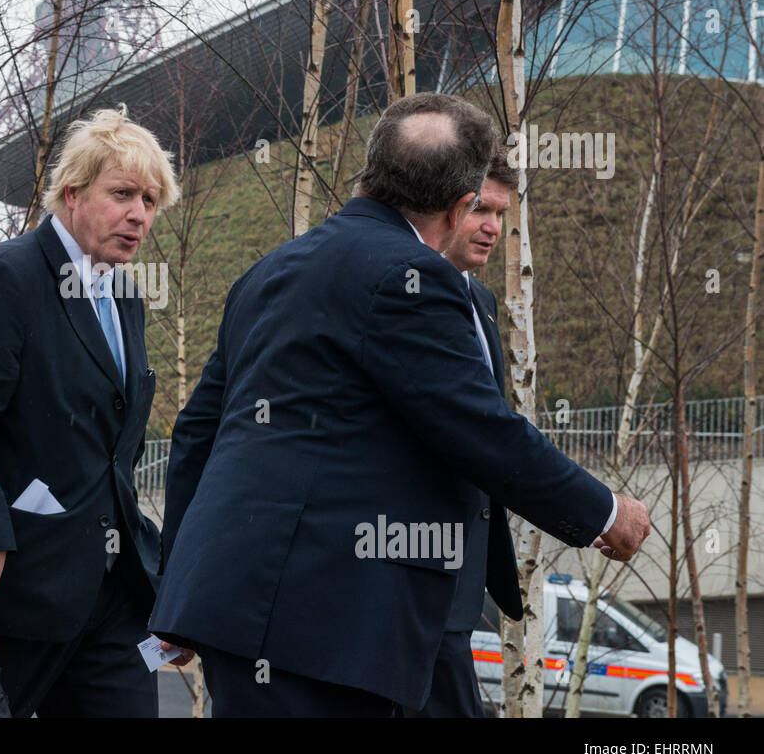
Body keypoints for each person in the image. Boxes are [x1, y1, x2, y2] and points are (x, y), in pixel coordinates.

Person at [149, 92, 649, 717]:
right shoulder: (411, 278)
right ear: (461, 202)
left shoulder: (269, 271)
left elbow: (198, 433)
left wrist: (175, 591)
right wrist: (604, 512)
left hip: (247, 607)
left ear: (372, 170)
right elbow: (479, 429)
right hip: (329, 621)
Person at [0, 107, 183, 717]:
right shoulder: (4, 277)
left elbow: (110, 458)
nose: (139, 214)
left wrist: (165, 587)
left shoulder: (126, 294)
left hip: (109, 597)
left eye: (151, 200)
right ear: (73, 192)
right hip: (6, 588)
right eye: (123, 194)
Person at [408, 165, 519, 717]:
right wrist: (597, 512)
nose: (493, 226)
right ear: (446, 209)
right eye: (480, 209)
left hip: (460, 584)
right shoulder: (404, 295)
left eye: (501, 213)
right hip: (404, 574)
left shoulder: (483, 303)